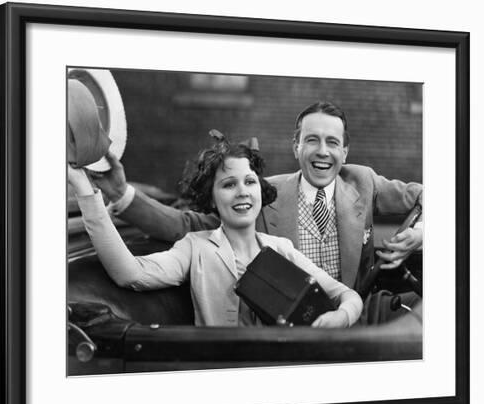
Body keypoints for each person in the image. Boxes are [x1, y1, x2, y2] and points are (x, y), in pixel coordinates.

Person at [91, 101, 423, 324]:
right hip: (284, 332)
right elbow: (185, 226)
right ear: (296, 146)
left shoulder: (362, 180)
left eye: (332, 142)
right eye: (312, 140)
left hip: (360, 321)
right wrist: (119, 195)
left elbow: (433, 197)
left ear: (344, 150)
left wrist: (421, 235)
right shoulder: (261, 196)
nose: (323, 152)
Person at [69, 134, 363, 327]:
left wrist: (341, 316)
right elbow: (130, 273)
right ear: (211, 198)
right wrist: (86, 191)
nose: (242, 193)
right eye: (228, 185)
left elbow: (348, 296)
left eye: (249, 182)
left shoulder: (280, 248)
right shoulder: (195, 247)